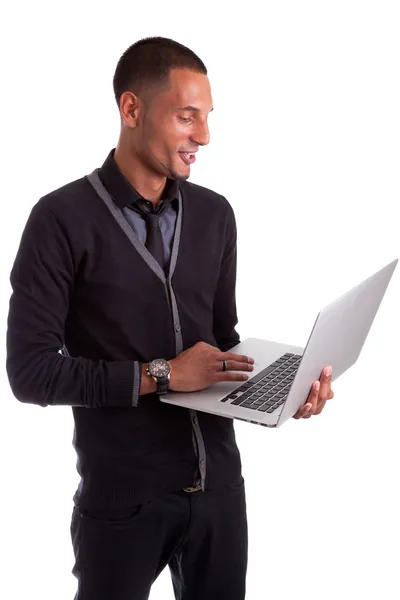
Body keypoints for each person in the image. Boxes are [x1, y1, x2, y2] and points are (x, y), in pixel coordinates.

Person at [6, 36, 334, 600]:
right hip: (122, 502)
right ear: (131, 109)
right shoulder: (59, 219)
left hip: (220, 496)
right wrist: (160, 375)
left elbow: (222, 344)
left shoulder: (215, 214)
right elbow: (31, 373)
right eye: (187, 117)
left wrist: (286, 387)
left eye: (207, 118)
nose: (204, 136)